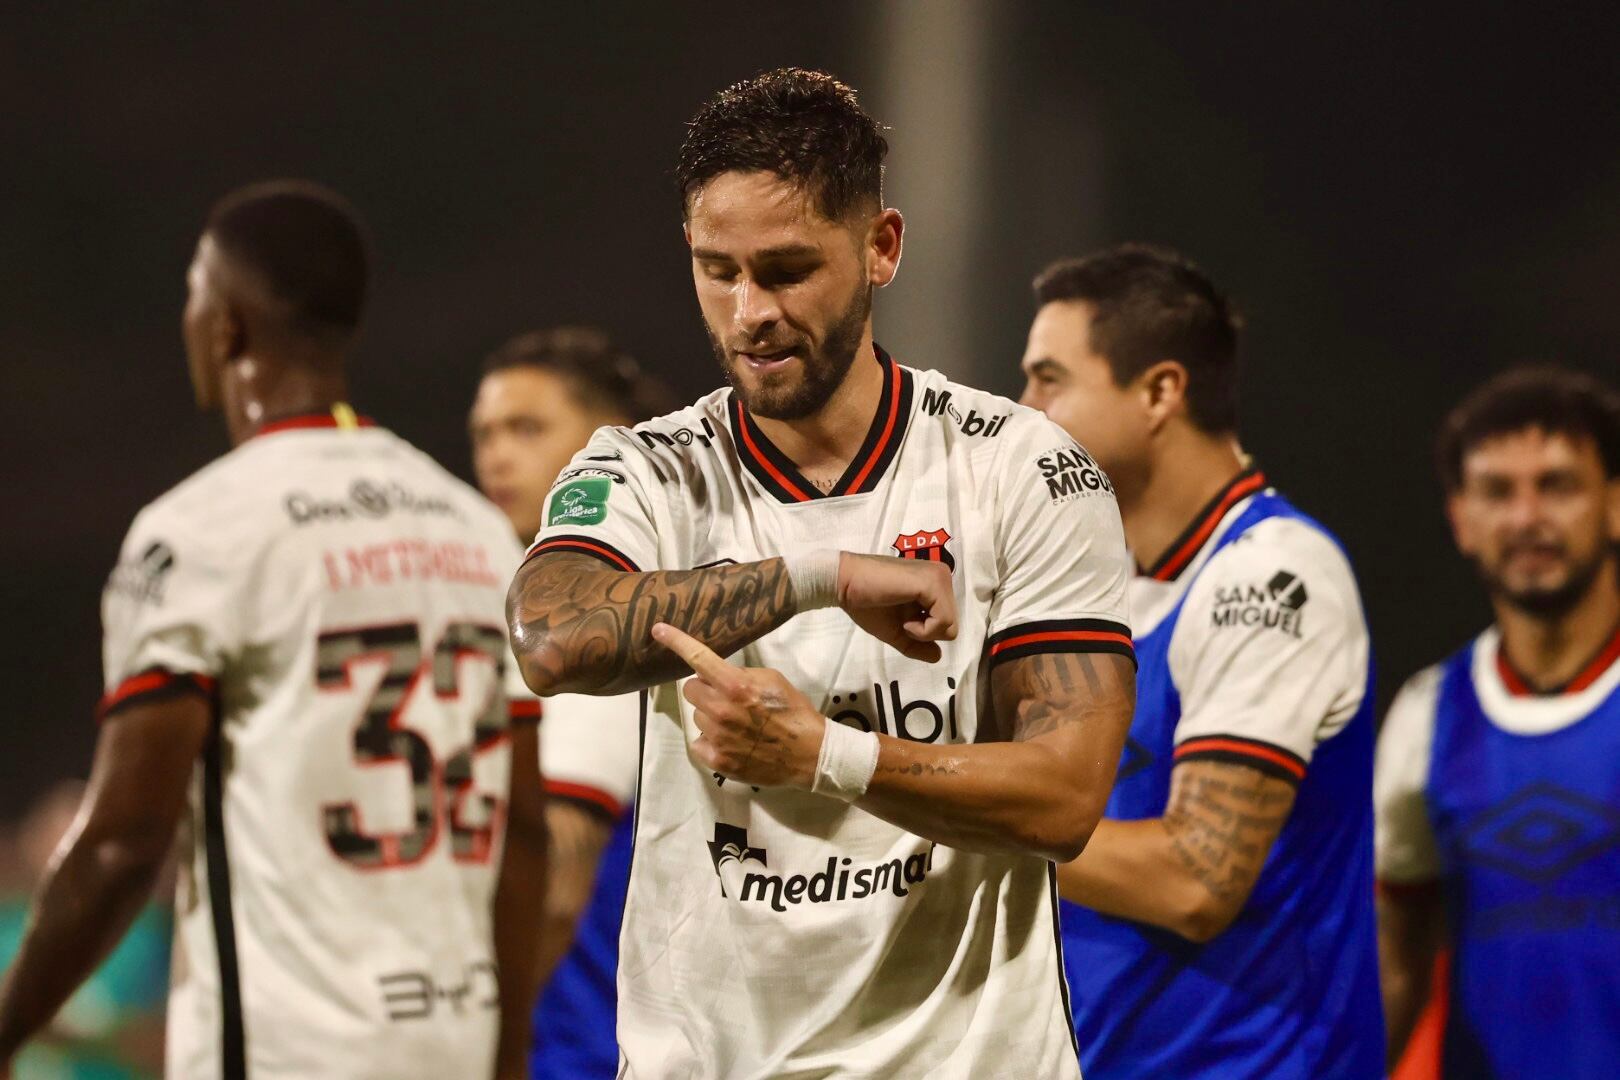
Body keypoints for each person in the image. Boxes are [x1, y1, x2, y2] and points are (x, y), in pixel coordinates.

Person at [506, 68, 1137, 1078]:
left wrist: (822, 755)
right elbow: (552, 636)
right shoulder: (644, 469)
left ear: (882, 246)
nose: (750, 311)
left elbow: (1064, 800)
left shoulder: (1022, 469)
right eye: (719, 271)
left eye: (788, 269)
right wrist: (818, 573)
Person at [0, 181, 547, 1080]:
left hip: (290, 1050)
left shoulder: (202, 533)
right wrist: (505, 1051)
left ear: (224, 326)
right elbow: (523, 830)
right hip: (453, 1040)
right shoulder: (475, 533)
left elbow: (120, 843)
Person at [1018, 244, 1384, 1078]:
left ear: (1159, 392)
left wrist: (939, 811)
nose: (1024, 410)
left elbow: (1196, 880)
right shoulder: (1103, 590)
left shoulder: (1273, 575)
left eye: (1050, 380)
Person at [1376, 366, 1620, 1079]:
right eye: (1496, 491)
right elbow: (1398, 962)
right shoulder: (1426, 717)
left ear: (1614, 502)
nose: (1526, 518)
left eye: (1557, 485)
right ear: (1461, 519)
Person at [469, 327, 668, 1078]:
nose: (497, 455)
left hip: (571, 1046)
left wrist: (479, 1044)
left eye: (527, 428)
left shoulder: (595, 618)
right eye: (485, 433)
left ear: (606, 444)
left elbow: (557, 884)